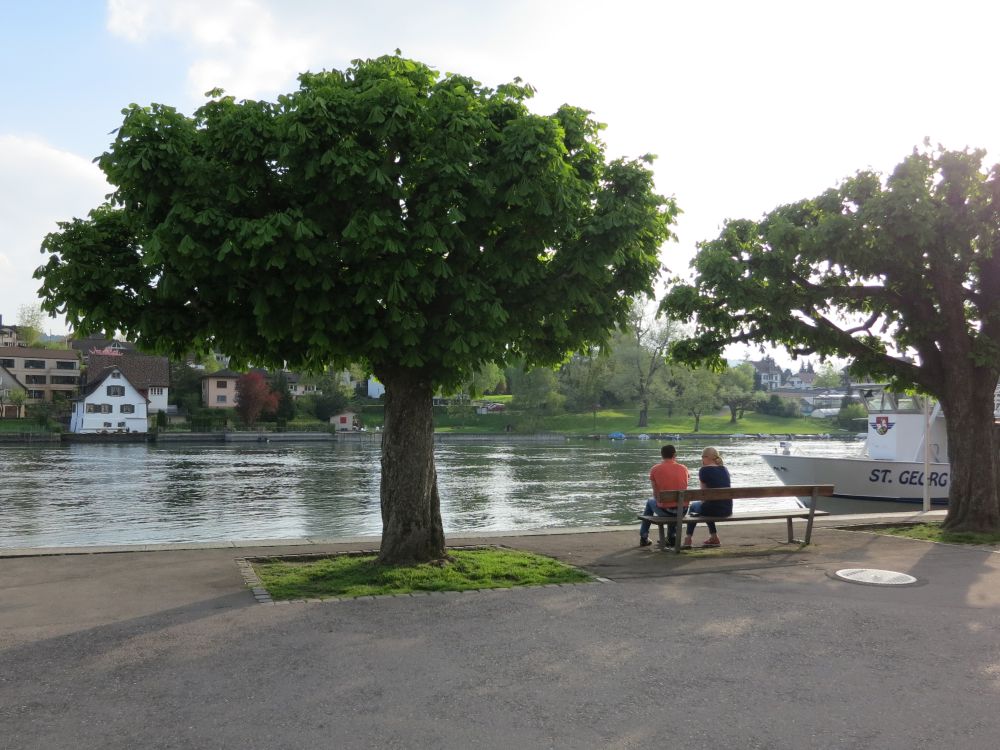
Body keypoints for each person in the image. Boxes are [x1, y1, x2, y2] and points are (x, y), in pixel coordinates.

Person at [639, 444, 690, 548]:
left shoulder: (655, 469)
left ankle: (644, 536)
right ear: (675, 455)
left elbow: (655, 493)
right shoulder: (684, 468)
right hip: (683, 510)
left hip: (667, 511)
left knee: (651, 502)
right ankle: (671, 537)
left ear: (661, 455)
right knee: (674, 503)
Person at [682, 446, 732, 548]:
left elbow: (703, 494)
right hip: (727, 509)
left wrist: (703, 503)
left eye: (703, 456)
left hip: (713, 510)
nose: (701, 459)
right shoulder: (724, 469)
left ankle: (688, 538)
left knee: (694, 507)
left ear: (708, 457)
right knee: (709, 506)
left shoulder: (704, 470)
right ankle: (714, 537)